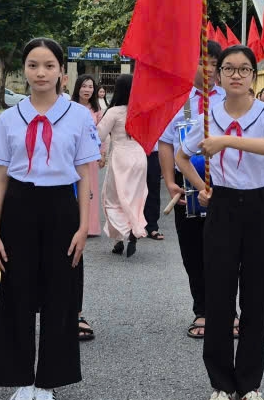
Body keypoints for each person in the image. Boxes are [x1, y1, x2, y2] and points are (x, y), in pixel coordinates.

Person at [0, 38, 99, 400]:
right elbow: (1, 177)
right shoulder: (9, 118)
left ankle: (49, 381)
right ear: (25, 70)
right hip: (19, 207)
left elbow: (85, 174)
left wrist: (84, 225)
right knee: (17, 295)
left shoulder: (79, 117)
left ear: (61, 73)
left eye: (48, 65)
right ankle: (21, 382)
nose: (40, 73)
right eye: (33, 65)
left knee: (60, 296)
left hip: (61, 208)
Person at [178, 45, 264, 400]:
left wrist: (227, 141)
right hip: (222, 206)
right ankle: (221, 384)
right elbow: (181, 154)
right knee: (220, 296)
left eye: (244, 69)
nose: (236, 75)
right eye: (228, 69)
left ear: (254, 76)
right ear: (219, 76)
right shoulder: (208, 117)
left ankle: (250, 384)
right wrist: (199, 186)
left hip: (258, 206)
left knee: (256, 297)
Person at [158, 41, 228, 341]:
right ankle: (202, 309)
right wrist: (169, 180)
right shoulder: (178, 101)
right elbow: (166, 142)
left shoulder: (233, 97)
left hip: (227, 190)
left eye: (215, 63)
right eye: (203, 62)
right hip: (187, 190)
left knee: (227, 253)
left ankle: (228, 312)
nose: (209, 69)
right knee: (193, 252)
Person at [99, 74, 149, 257]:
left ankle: (128, 232)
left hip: (121, 158)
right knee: (134, 199)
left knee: (112, 200)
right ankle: (118, 241)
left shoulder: (113, 112)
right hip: (139, 157)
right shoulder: (142, 110)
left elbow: (99, 135)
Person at [72, 74, 104, 239]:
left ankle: (90, 227)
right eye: (84, 86)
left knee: (90, 190)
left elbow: (101, 133)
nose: (87, 90)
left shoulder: (96, 110)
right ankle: (72, 224)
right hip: (71, 156)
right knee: (72, 190)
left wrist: (102, 153)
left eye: (90, 87)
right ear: (78, 87)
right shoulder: (70, 107)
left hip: (90, 156)